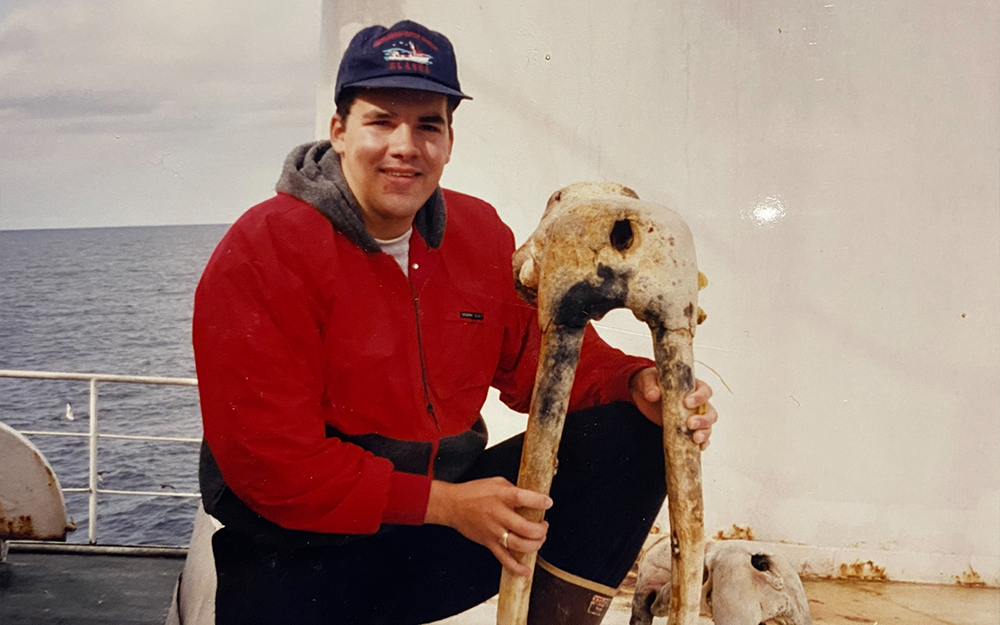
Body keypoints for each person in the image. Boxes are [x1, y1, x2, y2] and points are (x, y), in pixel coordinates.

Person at [193, 19, 717, 625]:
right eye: (381, 121)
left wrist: (637, 383)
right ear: (339, 131)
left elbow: (540, 361)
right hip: (300, 553)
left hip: (429, 536)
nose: (405, 145)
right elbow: (271, 465)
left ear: (448, 139)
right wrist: (447, 504)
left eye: (427, 125)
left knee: (637, 433)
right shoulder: (263, 251)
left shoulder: (478, 233)